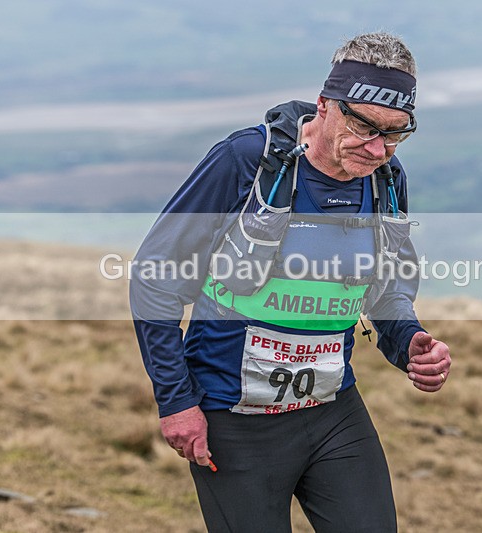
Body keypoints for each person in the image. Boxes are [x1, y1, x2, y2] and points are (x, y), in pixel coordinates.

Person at [130, 32, 451, 532]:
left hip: (331, 409)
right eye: (364, 125)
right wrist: (176, 401)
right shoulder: (245, 160)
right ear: (324, 105)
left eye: (395, 133)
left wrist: (409, 342)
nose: (378, 148)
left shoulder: (387, 179)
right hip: (233, 417)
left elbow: (386, 289)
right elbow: (156, 277)